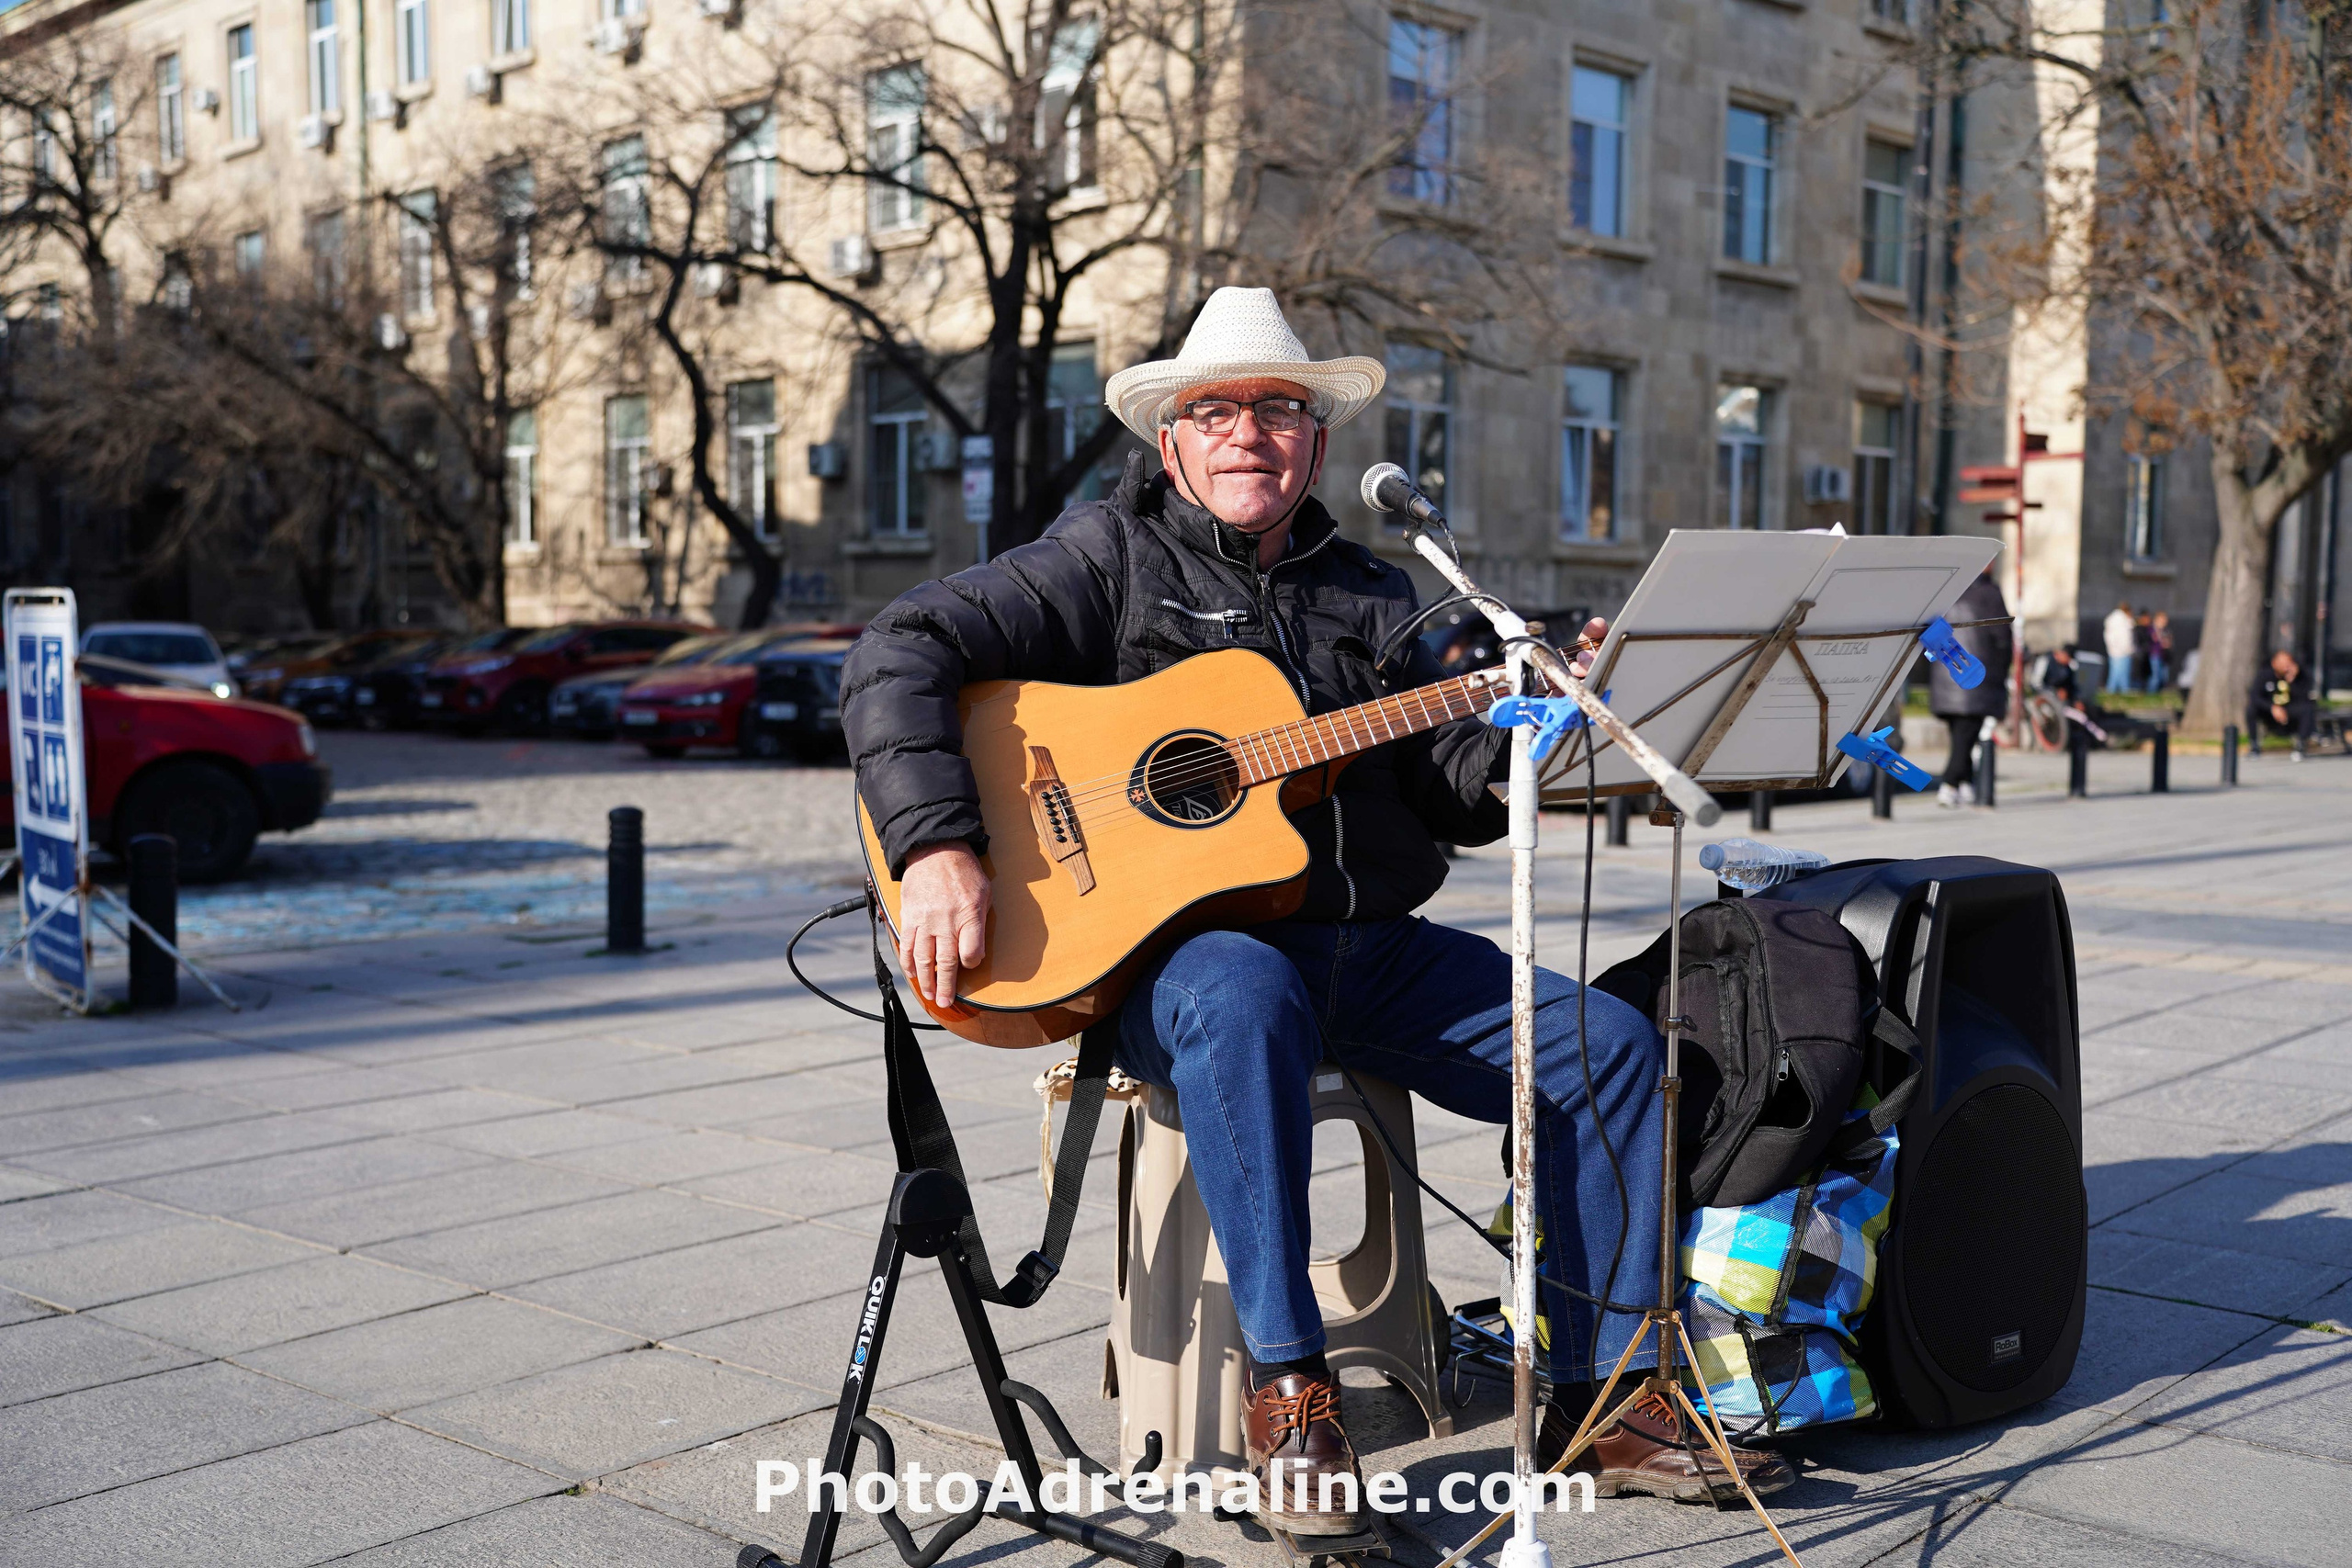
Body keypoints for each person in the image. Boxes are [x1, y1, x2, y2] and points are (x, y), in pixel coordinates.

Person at [842, 288, 1794, 1534]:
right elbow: (901, 643)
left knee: (1610, 1052)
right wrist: (937, 843)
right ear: (1172, 438)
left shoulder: (1383, 594)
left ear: (1319, 443)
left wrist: (1523, 738)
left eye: (1280, 408)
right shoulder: (1107, 559)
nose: (1250, 432)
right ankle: (1292, 1392)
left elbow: (1453, 796)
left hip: (1370, 950)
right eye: (1219, 409)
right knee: (1244, 991)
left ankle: (1595, 1392)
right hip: (1187, 966)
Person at [1931, 567, 2012, 807]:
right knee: (1965, 736)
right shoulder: (1990, 593)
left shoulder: (1947, 590)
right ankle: (1949, 784)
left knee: (1961, 735)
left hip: (1946, 677)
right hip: (1976, 678)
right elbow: (2002, 637)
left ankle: (1966, 784)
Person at [2246, 648, 2315, 760]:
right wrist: (2272, 708)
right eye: (2283, 663)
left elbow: (2305, 698)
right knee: (2251, 710)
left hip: (2290, 710)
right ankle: (2254, 746)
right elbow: (2255, 697)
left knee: (2307, 709)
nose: (2286, 666)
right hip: (2270, 711)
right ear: (2274, 663)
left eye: (2289, 663)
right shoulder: (2265, 675)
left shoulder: (2299, 677)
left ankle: (2301, 746)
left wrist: (2293, 680)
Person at [2103, 601, 2136, 694]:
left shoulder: (2114, 619)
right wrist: (2127, 649)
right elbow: (2124, 638)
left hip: (2115, 650)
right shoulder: (2122, 621)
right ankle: (2115, 691)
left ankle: (2118, 691)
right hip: (2122, 651)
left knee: (2117, 673)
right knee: (2119, 674)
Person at [2147, 611, 2174, 693]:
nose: (2164, 622)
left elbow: (2169, 641)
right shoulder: (2151, 629)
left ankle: (2159, 693)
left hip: (2164, 656)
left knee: (2164, 677)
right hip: (2155, 654)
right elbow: (2153, 640)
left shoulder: (2166, 630)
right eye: (2162, 620)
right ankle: (2151, 693)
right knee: (2156, 676)